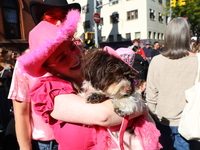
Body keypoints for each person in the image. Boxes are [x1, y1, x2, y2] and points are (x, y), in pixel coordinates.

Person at [17, 10, 147, 150]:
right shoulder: (50, 90)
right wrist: (142, 106)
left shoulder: (96, 73)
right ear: (50, 68)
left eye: (72, 47)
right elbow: (104, 116)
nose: (74, 57)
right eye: (62, 58)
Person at [8, 0, 81, 149]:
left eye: (63, 16)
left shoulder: (77, 51)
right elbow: (21, 113)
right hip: (46, 143)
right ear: (41, 20)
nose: (59, 21)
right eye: (52, 16)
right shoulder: (26, 62)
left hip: (80, 137)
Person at [146, 17, 198, 150]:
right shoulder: (197, 61)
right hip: (188, 124)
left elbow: (151, 95)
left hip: (161, 121)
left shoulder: (156, 61)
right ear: (187, 36)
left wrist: (154, 117)